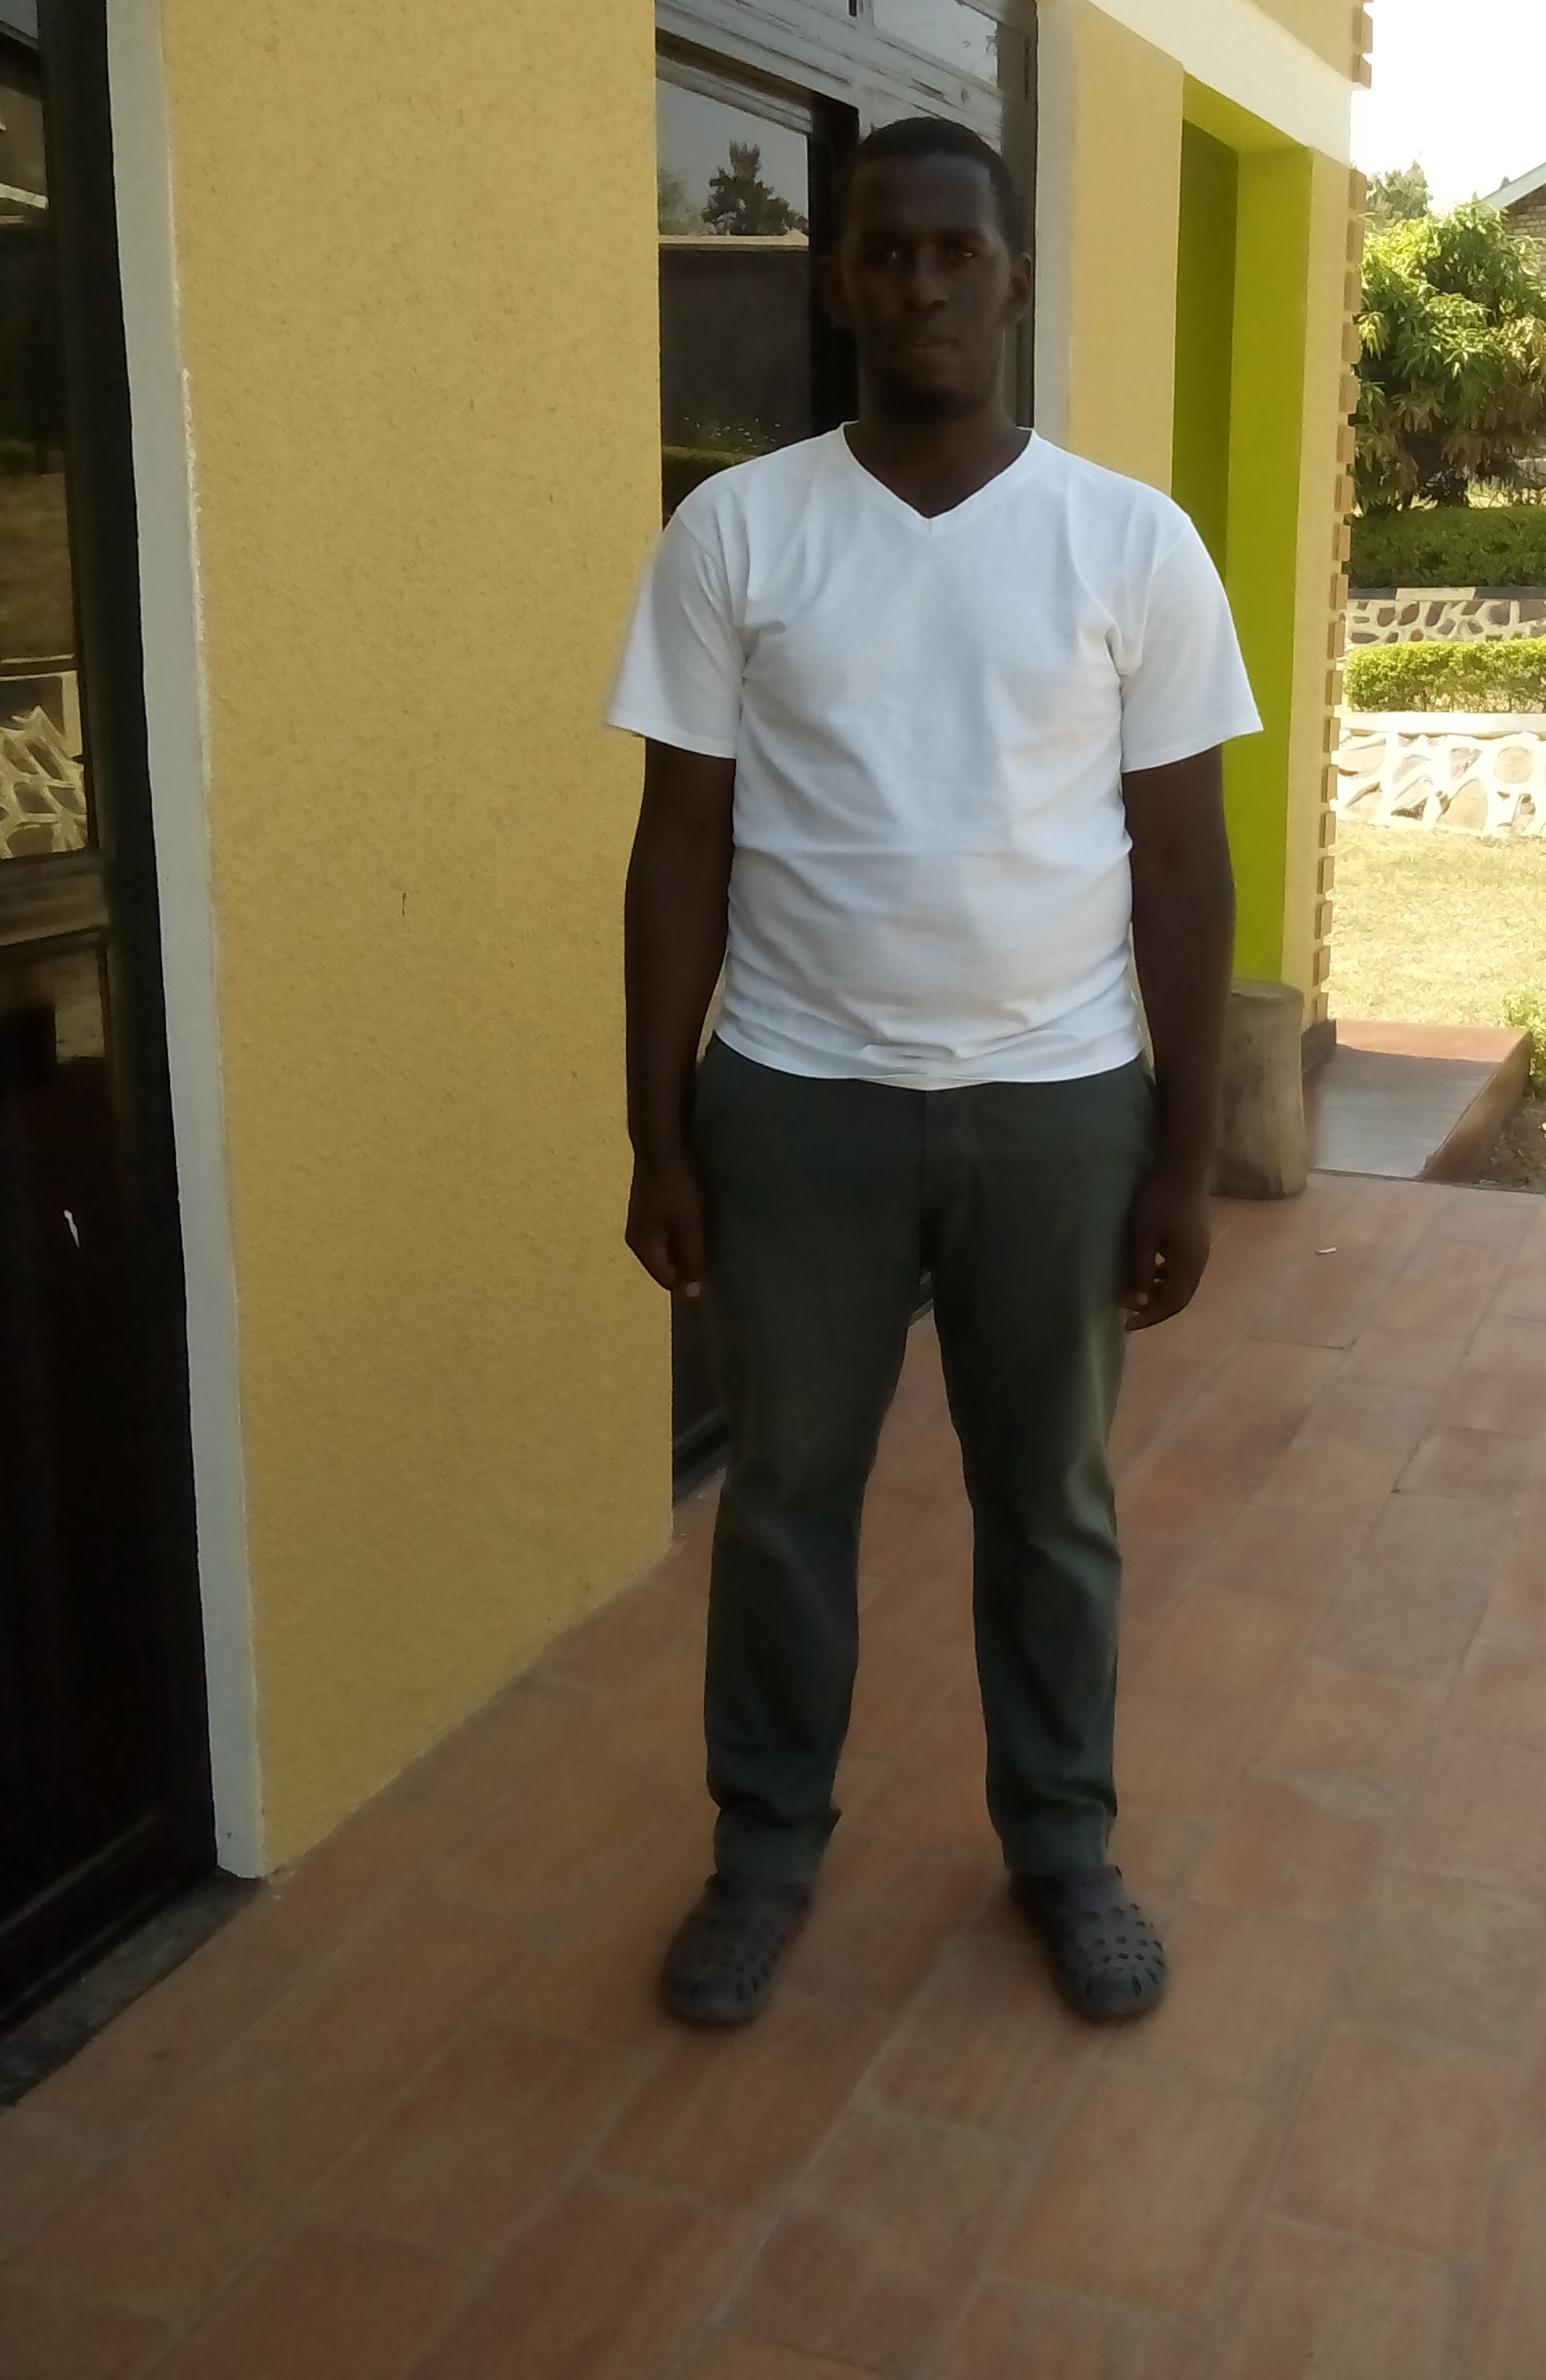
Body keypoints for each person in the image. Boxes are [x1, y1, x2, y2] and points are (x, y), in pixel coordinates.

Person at [611, 114, 1259, 2028]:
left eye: (954, 252)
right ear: (840, 282)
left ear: (1014, 280)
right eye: (884, 252)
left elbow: (1186, 862)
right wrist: (657, 1130)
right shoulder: (740, 532)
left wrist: (1184, 1153)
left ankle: (1064, 1844)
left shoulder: (1128, 542)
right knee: (783, 1495)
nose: (919, 285)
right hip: (794, 1101)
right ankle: (764, 1850)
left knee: (1049, 1502)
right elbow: (677, 847)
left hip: (1058, 1109)